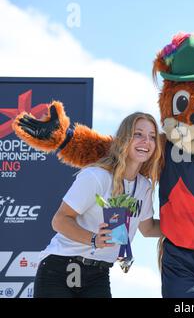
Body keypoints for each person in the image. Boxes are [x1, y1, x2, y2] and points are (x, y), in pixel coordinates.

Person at [33, 112, 163, 298]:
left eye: (152, 137)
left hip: (98, 274)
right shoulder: (97, 176)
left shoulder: (143, 187)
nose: (146, 141)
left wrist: (192, 229)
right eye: (138, 134)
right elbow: (59, 220)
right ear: (124, 138)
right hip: (60, 268)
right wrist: (94, 239)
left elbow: (148, 229)